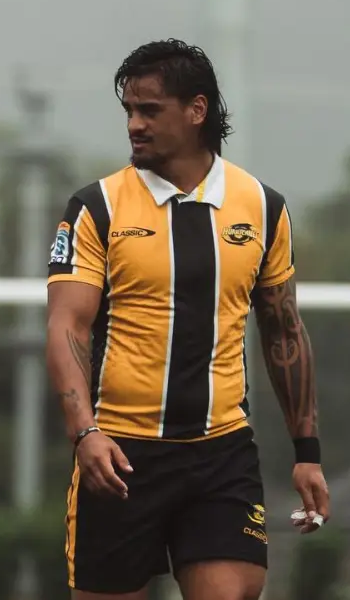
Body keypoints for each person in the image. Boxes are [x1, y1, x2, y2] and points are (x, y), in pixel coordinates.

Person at [45, 38, 329, 600]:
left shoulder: (263, 207)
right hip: (121, 454)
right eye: (129, 110)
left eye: (149, 110)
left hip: (220, 454)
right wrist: (86, 433)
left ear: (196, 110)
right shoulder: (96, 207)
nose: (134, 124)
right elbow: (67, 327)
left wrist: (307, 453)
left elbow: (284, 330)